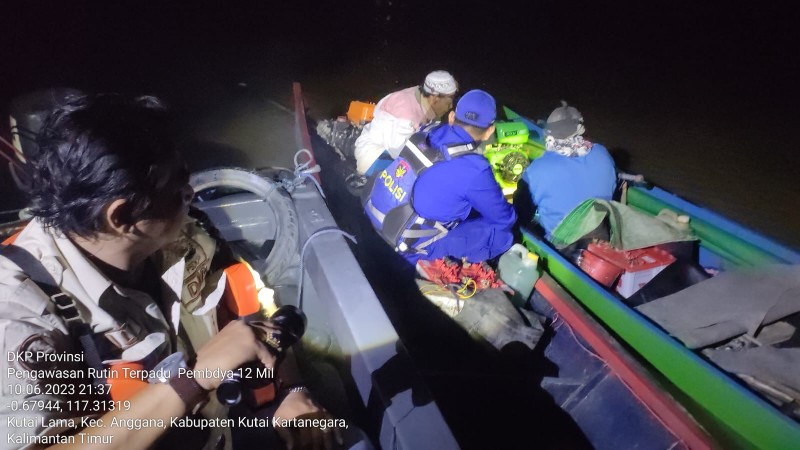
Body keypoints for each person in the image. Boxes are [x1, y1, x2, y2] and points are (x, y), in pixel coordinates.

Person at [0, 94, 340, 450]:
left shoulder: (188, 237)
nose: (191, 193)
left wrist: (291, 390)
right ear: (122, 217)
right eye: (176, 188)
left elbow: (256, 319)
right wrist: (193, 380)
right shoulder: (19, 315)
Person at [363, 89, 516, 275]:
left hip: (375, 216)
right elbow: (504, 219)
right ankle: (444, 265)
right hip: (406, 247)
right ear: (489, 132)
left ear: (452, 117)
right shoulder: (475, 169)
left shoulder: (426, 131)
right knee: (502, 235)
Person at [518, 101, 617, 237]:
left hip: (561, 243)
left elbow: (521, 210)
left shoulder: (537, 168)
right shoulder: (602, 153)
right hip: (600, 234)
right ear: (581, 130)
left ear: (549, 135)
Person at [353, 70, 458, 177]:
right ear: (435, 98)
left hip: (396, 154)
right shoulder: (406, 112)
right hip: (375, 155)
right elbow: (399, 152)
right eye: (448, 103)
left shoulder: (426, 100)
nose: (450, 107)